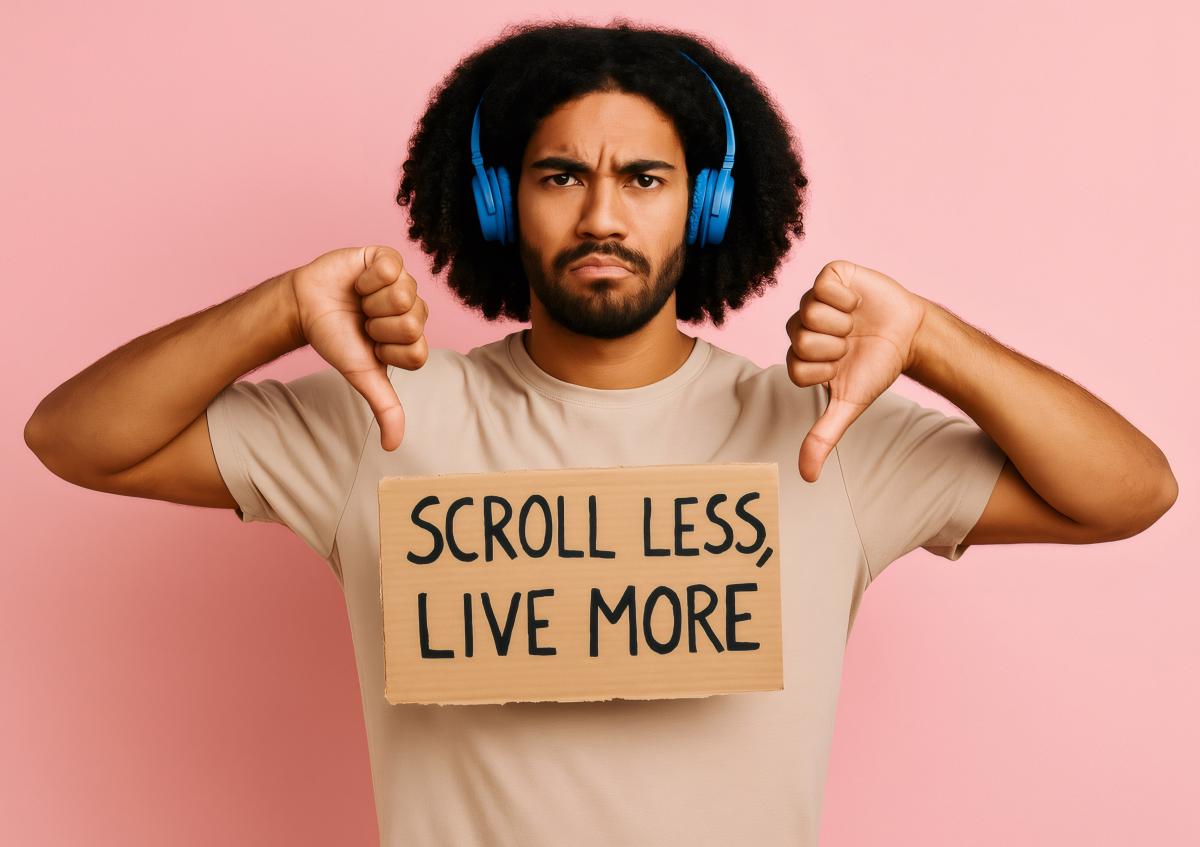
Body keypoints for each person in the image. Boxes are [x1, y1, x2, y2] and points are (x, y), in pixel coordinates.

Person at [24, 19, 1177, 847]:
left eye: (647, 178)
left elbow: (1128, 491)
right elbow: (77, 438)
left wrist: (930, 338)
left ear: (709, 206)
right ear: (497, 203)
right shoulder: (384, 419)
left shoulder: (824, 435)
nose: (603, 214)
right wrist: (280, 305)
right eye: (560, 174)